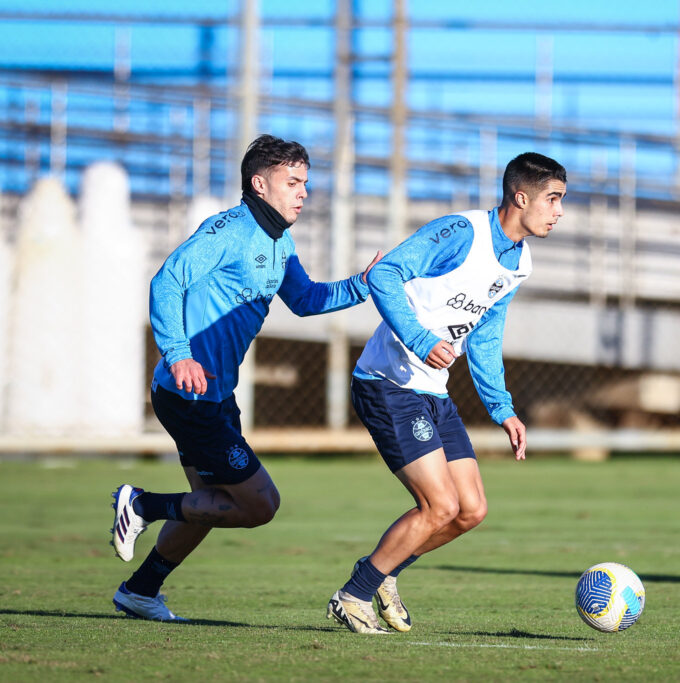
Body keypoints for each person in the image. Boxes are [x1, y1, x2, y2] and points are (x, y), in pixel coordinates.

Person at [109, 134, 382, 622]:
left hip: (214, 395)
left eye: (306, 182)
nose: (303, 192)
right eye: (292, 181)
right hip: (188, 393)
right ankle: (143, 505)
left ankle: (141, 590)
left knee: (211, 503)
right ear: (259, 184)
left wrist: (364, 284)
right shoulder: (229, 230)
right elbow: (167, 280)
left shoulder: (280, 239)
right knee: (260, 504)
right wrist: (178, 354)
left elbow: (305, 300)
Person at [325, 152, 566, 634]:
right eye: (553, 199)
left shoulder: (520, 261)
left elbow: (486, 332)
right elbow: (385, 274)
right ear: (521, 197)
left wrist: (503, 408)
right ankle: (353, 594)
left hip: (433, 392)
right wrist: (419, 340)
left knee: (470, 511)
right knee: (440, 507)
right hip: (388, 383)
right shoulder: (461, 233)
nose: (559, 211)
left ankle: (385, 572)